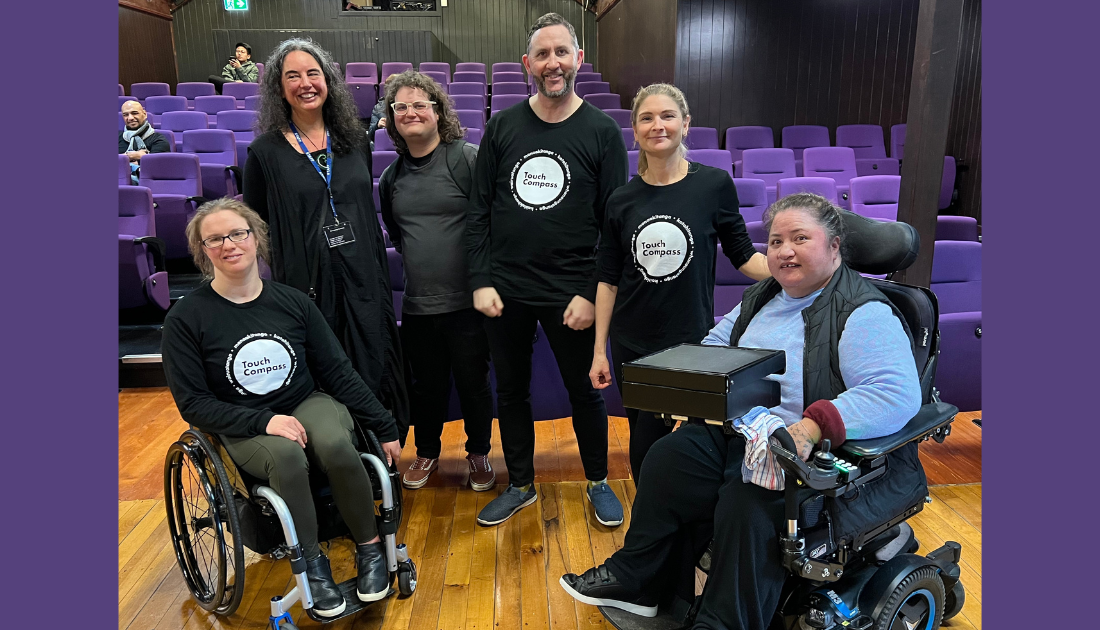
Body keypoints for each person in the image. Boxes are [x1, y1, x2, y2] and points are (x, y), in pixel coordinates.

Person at [560, 194, 925, 629]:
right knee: (667, 460)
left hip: (816, 458)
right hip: (745, 433)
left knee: (747, 503)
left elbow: (894, 393)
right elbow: (715, 347)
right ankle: (641, 582)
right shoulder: (764, 296)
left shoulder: (864, 311)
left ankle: (723, 622)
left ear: (834, 246)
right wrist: (685, 385)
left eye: (800, 238)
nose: (784, 251)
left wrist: (811, 427)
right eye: (774, 242)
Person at [161, 198, 403, 618]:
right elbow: (193, 404)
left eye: (237, 233)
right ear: (203, 252)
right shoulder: (187, 318)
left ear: (256, 239)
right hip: (241, 421)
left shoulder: (293, 303)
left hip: (304, 400)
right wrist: (265, 420)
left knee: (334, 443)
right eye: (214, 239)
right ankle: (313, 564)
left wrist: (383, 425)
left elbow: (339, 372)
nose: (229, 244)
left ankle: (370, 551)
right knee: (287, 456)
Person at [465, 12, 629, 527]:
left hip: (572, 294)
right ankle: (519, 484)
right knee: (510, 391)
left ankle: (598, 480)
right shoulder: (503, 127)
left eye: (562, 52)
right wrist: (481, 279)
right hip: (506, 290)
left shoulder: (602, 132)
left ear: (579, 59)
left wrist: (587, 291)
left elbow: (614, 225)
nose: (552, 63)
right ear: (526, 65)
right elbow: (479, 210)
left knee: (585, 392)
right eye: (542, 54)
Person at [591, 83, 770, 485]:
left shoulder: (714, 185)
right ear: (635, 131)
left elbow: (743, 256)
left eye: (668, 116)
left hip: (694, 341)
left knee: (699, 438)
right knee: (645, 439)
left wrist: (795, 270)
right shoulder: (621, 200)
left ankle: (692, 526)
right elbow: (607, 280)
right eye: (647, 118)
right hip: (632, 342)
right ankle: (653, 525)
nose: (658, 126)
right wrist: (599, 350)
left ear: (685, 124)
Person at [243, 38, 410, 442]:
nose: (305, 83)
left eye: (313, 73)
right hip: (305, 279)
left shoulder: (353, 141)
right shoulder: (264, 153)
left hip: (363, 273)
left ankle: (381, 447)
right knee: (322, 362)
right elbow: (257, 223)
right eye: (293, 75)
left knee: (371, 353)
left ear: (328, 81)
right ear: (279, 88)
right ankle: (337, 455)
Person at [377, 71, 495, 492]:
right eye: (401, 107)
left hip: (467, 304)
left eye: (419, 104)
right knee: (425, 387)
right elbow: (397, 233)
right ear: (392, 118)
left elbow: (492, 222)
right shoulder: (391, 178)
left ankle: (479, 452)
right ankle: (426, 451)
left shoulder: (466, 158)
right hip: (419, 305)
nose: (410, 112)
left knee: (473, 383)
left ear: (438, 112)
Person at [119, 99, 170, 183]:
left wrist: (122, 160)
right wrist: (135, 156)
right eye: (125, 115)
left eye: (135, 113)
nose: (130, 118)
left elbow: (156, 168)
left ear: (145, 114)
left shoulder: (159, 140)